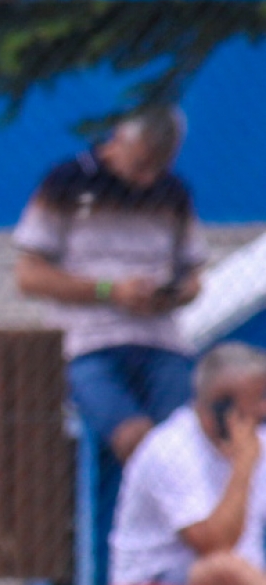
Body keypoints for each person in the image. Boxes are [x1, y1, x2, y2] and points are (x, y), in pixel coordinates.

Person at [15, 106, 209, 466]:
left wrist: (172, 294)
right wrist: (110, 291)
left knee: (185, 441)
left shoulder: (174, 192)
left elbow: (195, 280)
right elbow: (29, 276)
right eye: (140, 165)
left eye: (159, 167)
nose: (148, 179)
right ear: (118, 141)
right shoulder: (67, 183)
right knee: (136, 437)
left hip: (162, 342)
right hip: (88, 344)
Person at [109, 342, 266, 585]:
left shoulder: (258, 441)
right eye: (259, 397)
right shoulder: (171, 448)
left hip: (243, 579)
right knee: (224, 569)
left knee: (233, 571)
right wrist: (243, 465)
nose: (264, 408)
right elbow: (214, 546)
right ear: (221, 403)